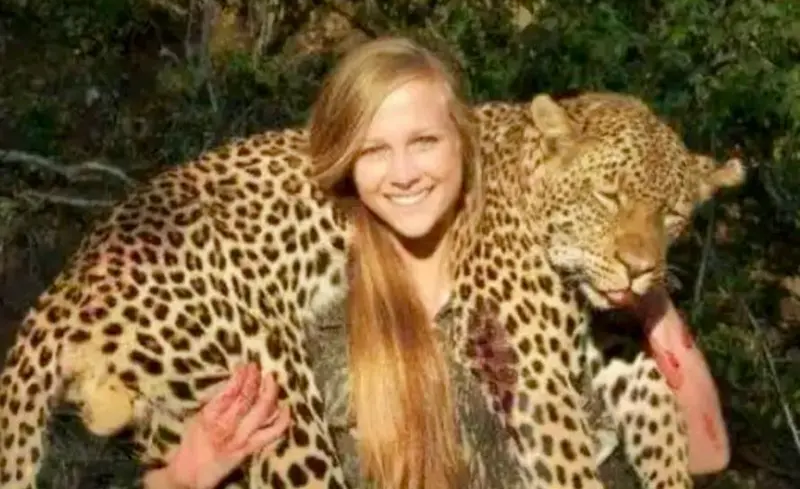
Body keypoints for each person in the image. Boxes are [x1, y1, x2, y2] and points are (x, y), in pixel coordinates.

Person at [132, 36, 727, 488]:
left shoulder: (560, 292)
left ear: (463, 144)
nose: (405, 174)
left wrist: (650, 297)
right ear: (348, 166)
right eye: (374, 151)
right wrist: (185, 474)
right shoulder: (311, 309)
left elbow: (705, 452)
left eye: (424, 142)